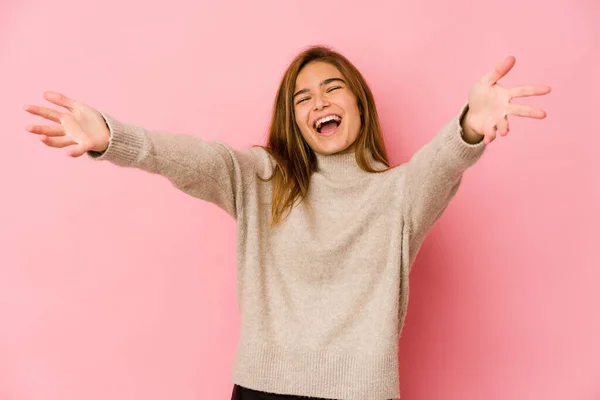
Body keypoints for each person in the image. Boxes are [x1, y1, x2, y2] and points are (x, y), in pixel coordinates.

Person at [23, 45, 551, 400]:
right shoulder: (265, 179)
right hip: (262, 392)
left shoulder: (399, 196)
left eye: (332, 88)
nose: (318, 101)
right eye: (302, 97)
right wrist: (117, 138)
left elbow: (442, 163)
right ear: (293, 120)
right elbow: (198, 159)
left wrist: (469, 125)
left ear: (360, 102)